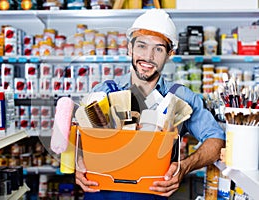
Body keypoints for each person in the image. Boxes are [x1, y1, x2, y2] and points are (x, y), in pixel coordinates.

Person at [75, 9, 225, 199]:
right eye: (142, 46)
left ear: (170, 54)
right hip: (100, 192)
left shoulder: (182, 98)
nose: (148, 57)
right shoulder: (103, 92)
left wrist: (184, 166)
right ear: (130, 48)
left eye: (159, 49)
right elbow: (81, 138)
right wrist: (79, 163)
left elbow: (216, 140)